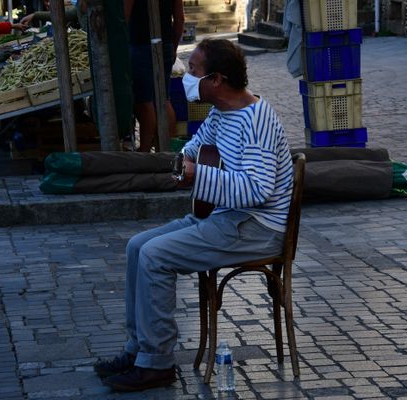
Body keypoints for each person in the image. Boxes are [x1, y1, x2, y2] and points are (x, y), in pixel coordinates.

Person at [93, 38, 294, 392]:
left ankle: (156, 363)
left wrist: (197, 175)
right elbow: (195, 147)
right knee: (137, 247)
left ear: (217, 79)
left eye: (194, 72)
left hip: (256, 226)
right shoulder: (220, 111)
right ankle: (137, 348)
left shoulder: (257, 119)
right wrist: (181, 162)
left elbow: (257, 189)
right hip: (224, 218)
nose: (187, 78)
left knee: (156, 257)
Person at [125, 0, 184, 152]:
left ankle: (145, 151)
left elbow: (124, 17)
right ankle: (167, 148)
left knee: (144, 101)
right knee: (163, 98)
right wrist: (173, 47)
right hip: (165, 44)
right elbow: (179, 20)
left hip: (140, 45)